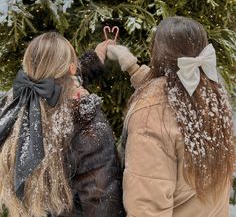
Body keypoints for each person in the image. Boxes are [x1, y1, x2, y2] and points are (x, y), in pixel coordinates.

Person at [107, 16, 235, 217]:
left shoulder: (150, 115)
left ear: (157, 52)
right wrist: (130, 64)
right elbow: (169, 95)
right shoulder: (210, 93)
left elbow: (146, 209)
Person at [0, 32, 124, 217]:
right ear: (72, 69)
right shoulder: (87, 125)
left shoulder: (11, 106)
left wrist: (96, 57)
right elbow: (102, 205)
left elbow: (55, 82)